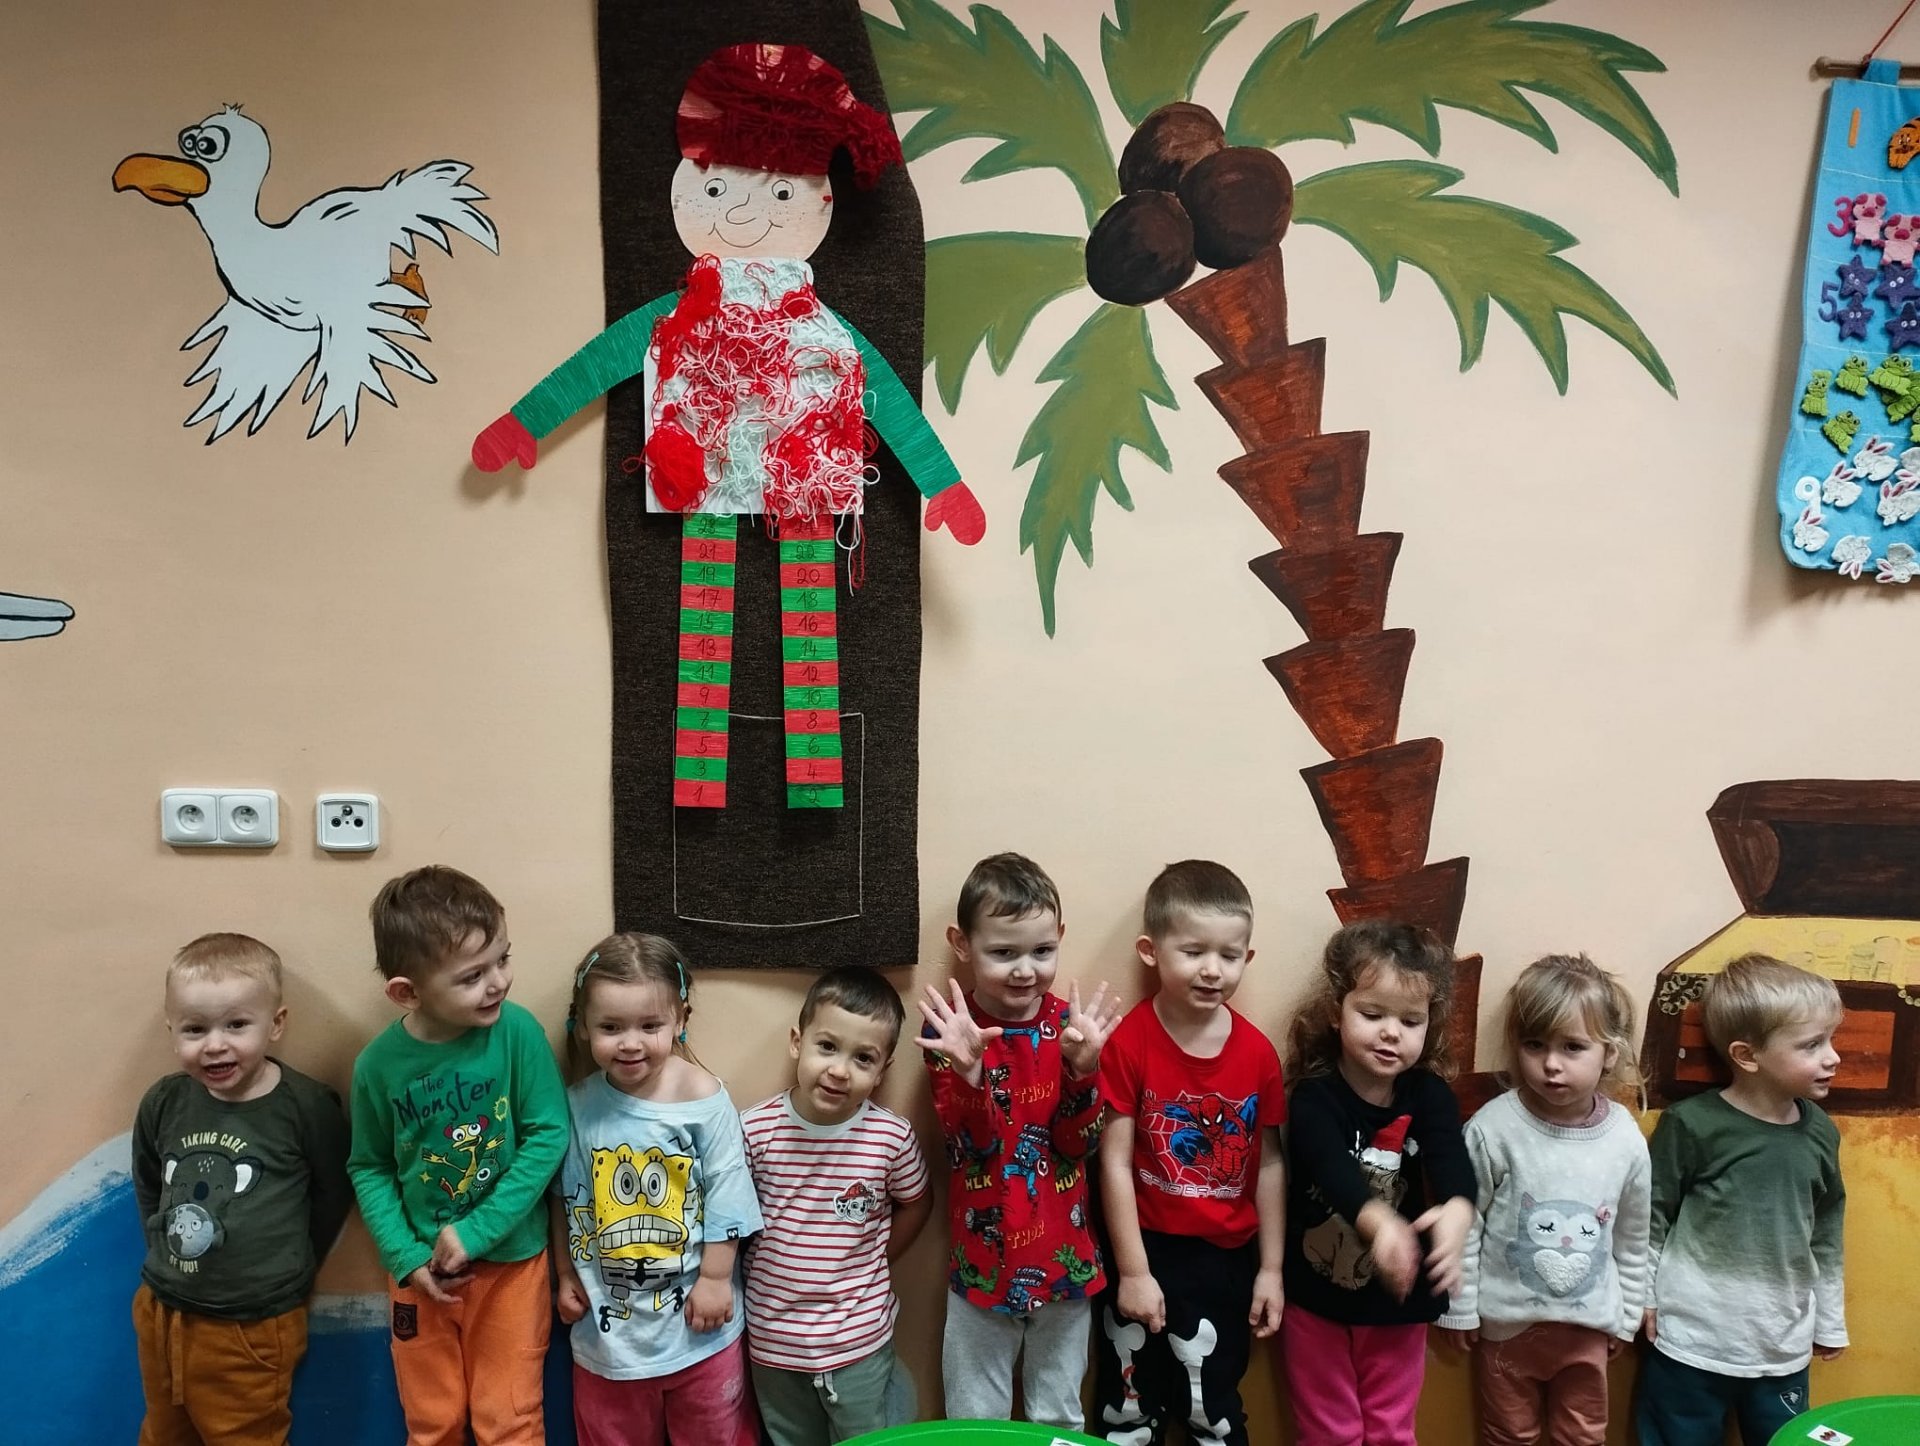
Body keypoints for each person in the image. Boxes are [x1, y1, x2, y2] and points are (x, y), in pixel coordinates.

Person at [346, 866, 569, 1445]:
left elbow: (549, 1134)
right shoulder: (376, 1066)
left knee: (509, 1421)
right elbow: (369, 1166)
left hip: (511, 1269)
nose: (498, 983)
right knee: (433, 1424)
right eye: (472, 975)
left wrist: (479, 1230)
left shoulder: (517, 1033)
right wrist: (404, 1255)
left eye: (502, 959)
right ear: (407, 992)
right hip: (420, 1276)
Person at [915, 851, 1122, 1428]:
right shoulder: (950, 1032)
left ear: (1060, 938)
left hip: (1065, 1259)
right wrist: (968, 1074)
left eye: (1042, 951)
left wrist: (1084, 1069)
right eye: (1003, 953)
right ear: (962, 944)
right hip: (982, 1263)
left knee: (1058, 1415)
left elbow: (1078, 1146)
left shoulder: (1071, 1029)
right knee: (974, 1420)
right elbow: (971, 1147)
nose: (1025, 970)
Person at [131, 932, 351, 1446]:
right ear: (172, 1029)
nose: (215, 1044)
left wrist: (290, 1267)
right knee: (162, 1435)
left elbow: (333, 1192)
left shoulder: (305, 1107)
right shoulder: (164, 1101)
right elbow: (149, 1181)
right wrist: (163, 1253)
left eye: (236, 1024)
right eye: (195, 1028)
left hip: (252, 1326)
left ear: (276, 1024)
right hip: (163, 1311)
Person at [1093, 860, 1285, 1446]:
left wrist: (1271, 1269)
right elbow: (1113, 1162)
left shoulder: (1258, 1054)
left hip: (1225, 1260)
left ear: (1248, 958)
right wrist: (1133, 1271)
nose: (1212, 970)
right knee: (1129, 1407)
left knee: (1213, 1407)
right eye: (1194, 951)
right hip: (1144, 1247)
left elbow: (1270, 1163)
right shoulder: (1129, 1043)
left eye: (1229, 955)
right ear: (1150, 951)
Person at [551, 933, 764, 1446]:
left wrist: (715, 1277)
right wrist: (564, 1273)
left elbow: (728, 1195)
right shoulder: (576, 1106)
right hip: (608, 1339)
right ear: (583, 1025)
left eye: (650, 1026)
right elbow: (565, 1199)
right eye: (611, 1027)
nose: (631, 1043)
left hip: (700, 1333)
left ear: (681, 1020)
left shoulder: (704, 1100)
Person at [1437, 954, 1651, 1445]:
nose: (1551, 1064)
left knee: (1582, 1437)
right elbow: (1464, 1222)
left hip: (1589, 1330)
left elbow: (1633, 1237)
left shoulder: (1625, 1139)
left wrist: (1625, 1318)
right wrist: (1459, 1306)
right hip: (1506, 1327)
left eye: (1573, 1046)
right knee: (1508, 1436)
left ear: (1610, 1053)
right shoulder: (1494, 1128)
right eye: (1535, 1045)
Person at [1636, 953, 1847, 1446]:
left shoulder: (1821, 1133)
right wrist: (1642, 1296)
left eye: (1831, 1039)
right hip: (1690, 1343)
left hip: (1781, 1347)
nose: (1833, 1057)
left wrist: (1831, 1320)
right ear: (1748, 1056)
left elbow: (1827, 1232)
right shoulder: (1691, 1125)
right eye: (1812, 1044)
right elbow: (1650, 1215)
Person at [1280, 919, 1476, 1446]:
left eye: (1411, 1021)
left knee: (1391, 1431)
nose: (1392, 1032)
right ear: (1335, 1012)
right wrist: (1380, 1224)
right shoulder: (1314, 1097)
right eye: (1372, 1014)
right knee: (1330, 1433)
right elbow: (1330, 1169)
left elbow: (1452, 1161)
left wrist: (1459, 1210)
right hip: (1316, 1299)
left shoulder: (1430, 1095)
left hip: (1399, 1299)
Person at [740, 966, 934, 1445]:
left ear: (883, 1070)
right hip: (773, 1342)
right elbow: (730, 1221)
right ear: (797, 1042)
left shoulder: (890, 1137)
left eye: (863, 1058)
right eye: (827, 1046)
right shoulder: (754, 1131)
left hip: (858, 1341)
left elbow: (916, 1203)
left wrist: (878, 1259)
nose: (840, 1070)